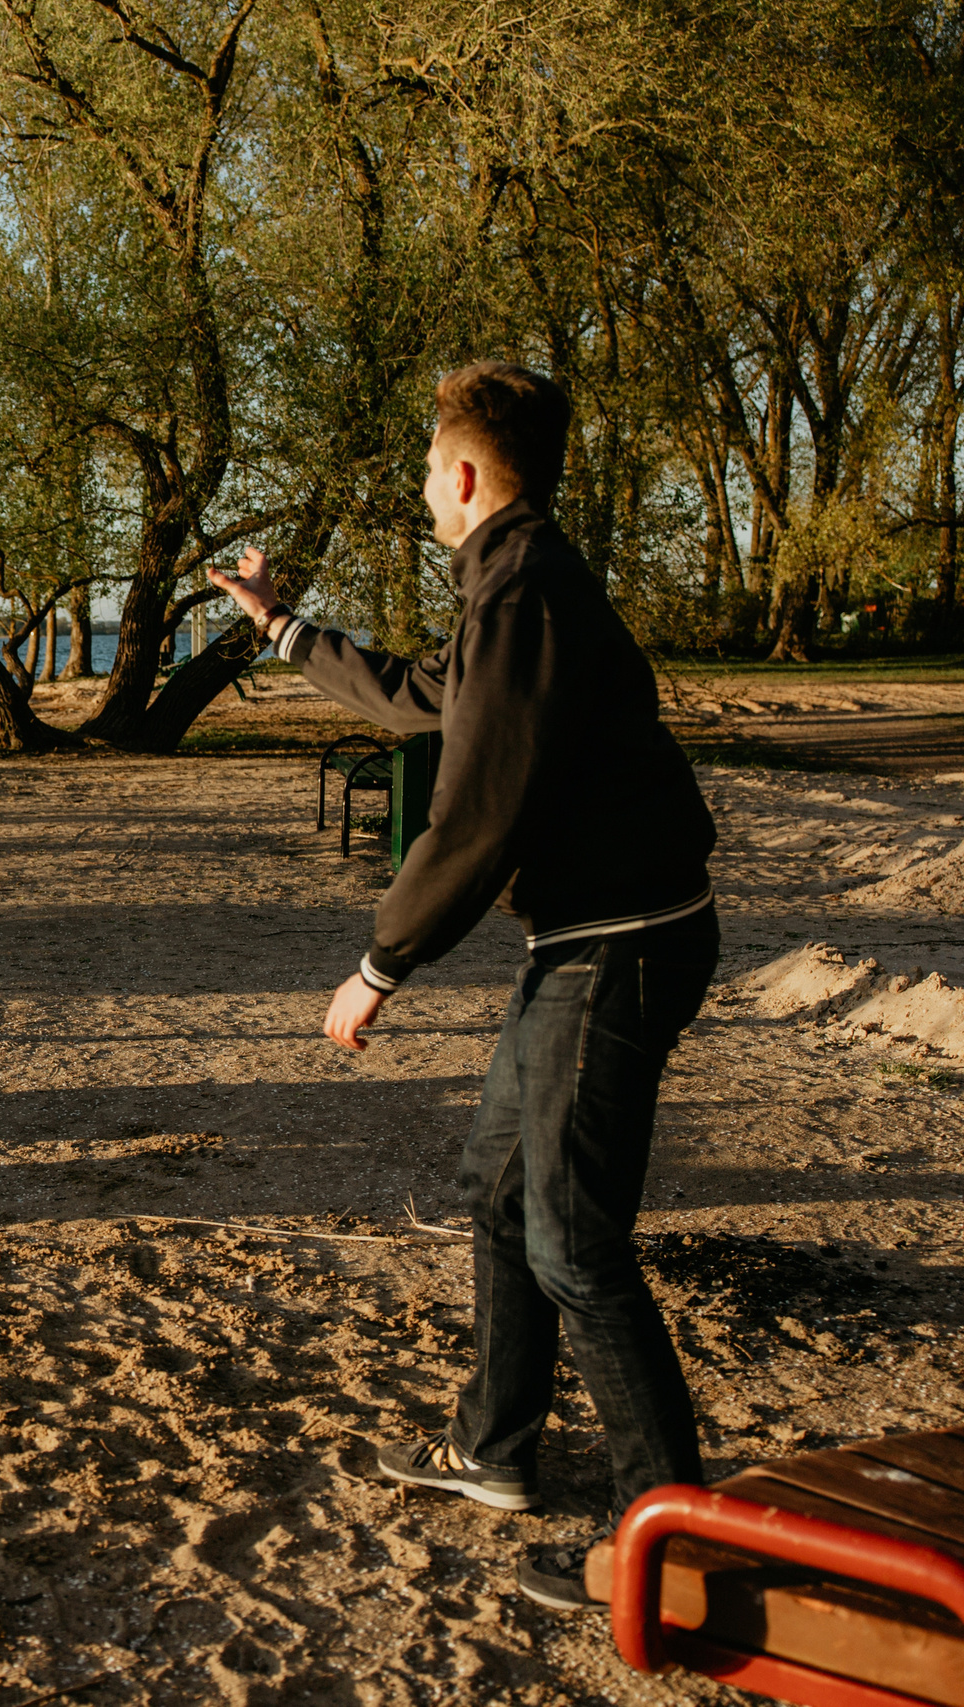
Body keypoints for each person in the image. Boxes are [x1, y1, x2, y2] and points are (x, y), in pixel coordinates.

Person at [208, 361, 720, 1613]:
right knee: (494, 1193)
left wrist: (377, 966)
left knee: (574, 1245)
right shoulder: (510, 584)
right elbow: (426, 701)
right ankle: (494, 1453)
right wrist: (283, 629)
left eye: (427, 469)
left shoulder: (522, 593)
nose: (420, 489)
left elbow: (474, 817)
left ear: (467, 474)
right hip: (591, 939)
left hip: (622, 945)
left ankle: (674, 1545)